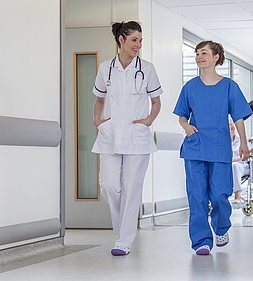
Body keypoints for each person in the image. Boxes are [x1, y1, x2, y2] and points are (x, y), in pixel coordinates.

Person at [91, 21, 163, 256]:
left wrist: (149, 121)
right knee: (109, 185)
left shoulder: (147, 68)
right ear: (121, 40)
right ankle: (122, 229)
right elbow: (99, 98)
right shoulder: (105, 68)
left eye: (140, 40)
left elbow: (156, 101)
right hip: (110, 134)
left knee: (132, 188)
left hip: (137, 136)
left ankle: (123, 241)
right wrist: (97, 121)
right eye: (134, 40)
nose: (138, 45)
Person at [173, 40, 251, 255]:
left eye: (204, 53)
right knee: (197, 196)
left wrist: (243, 143)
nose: (199, 57)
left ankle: (221, 227)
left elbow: (239, 117)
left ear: (216, 57)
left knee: (219, 195)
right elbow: (181, 114)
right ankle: (201, 241)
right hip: (195, 147)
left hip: (219, 148)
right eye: (197, 53)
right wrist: (186, 125)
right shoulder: (190, 87)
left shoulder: (229, 86)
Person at [230, 118, 249, 208]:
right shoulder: (223, 141)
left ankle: (237, 195)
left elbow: (245, 155)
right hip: (227, 167)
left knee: (234, 165)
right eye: (230, 126)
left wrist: (234, 159)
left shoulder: (241, 140)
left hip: (241, 165)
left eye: (232, 125)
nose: (232, 127)